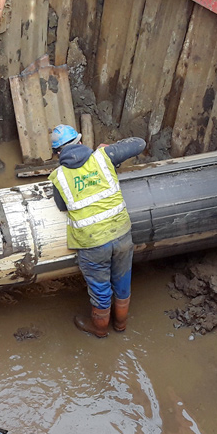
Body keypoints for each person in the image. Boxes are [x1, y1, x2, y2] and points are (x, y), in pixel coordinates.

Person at [47, 124, 146, 337]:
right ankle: (120, 324)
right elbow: (139, 143)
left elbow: (62, 206)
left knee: (100, 289)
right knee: (122, 280)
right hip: (121, 234)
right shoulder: (104, 156)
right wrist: (110, 148)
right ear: (80, 142)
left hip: (92, 243)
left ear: (58, 153)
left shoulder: (59, 177)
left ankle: (100, 329)